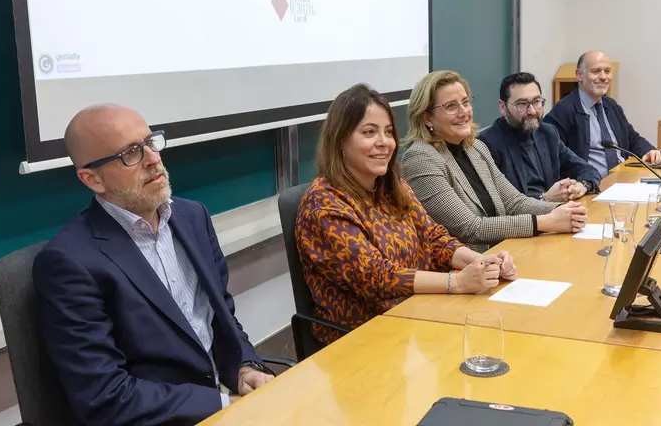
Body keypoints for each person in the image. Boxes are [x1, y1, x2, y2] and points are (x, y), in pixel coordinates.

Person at [33, 104, 273, 425]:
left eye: (151, 142)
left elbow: (220, 318)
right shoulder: (69, 263)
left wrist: (245, 367)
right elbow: (105, 395)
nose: (153, 159)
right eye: (131, 153)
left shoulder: (193, 217)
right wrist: (222, 402)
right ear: (92, 179)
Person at [295, 83, 518, 346]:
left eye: (388, 132)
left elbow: (434, 239)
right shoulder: (324, 204)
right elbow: (379, 277)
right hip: (363, 340)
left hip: (418, 318)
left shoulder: (391, 186)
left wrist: (483, 262)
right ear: (340, 140)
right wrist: (457, 282)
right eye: (369, 132)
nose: (384, 143)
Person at [400, 70, 588, 253]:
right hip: (464, 272)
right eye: (451, 106)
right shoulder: (420, 158)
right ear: (427, 118)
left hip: (504, 254)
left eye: (465, 103)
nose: (464, 112)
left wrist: (566, 210)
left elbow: (514, 203)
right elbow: (470, 228)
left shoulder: (475, 148)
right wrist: (545, 222)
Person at [479, 72, 601, 202]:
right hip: (526, 220)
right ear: (503, 107)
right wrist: (545, 199)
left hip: (557, 213)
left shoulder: (547, 132)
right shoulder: (487, 144)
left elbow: (587, 169)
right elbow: (500, 204)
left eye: (537, 102)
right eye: (522, 104)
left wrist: (581, 186)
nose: (532, 111)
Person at [544, 51, 661, 179]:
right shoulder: (563, 111)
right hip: (592, 187)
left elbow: (632, 138)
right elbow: (554, 157)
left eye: (607, 71)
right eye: (596, 71)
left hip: (624, 180)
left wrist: (648, 151)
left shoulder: (611, 105)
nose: (603, 77)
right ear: (579, 75)